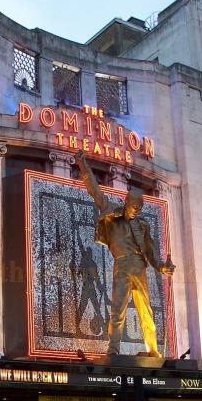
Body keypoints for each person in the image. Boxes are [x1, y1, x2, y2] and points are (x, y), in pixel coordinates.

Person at [74, 150, 175, 356]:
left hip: (138, 266)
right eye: (134, 206)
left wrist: (162, 267)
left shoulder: (143, 225)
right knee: (117, 309)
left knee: (145, 310)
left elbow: (151, 251)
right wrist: (82, 163)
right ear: (127, 202)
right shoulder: (112, 214)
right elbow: (94, 189)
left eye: (140, 207)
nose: (136, 210)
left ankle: (153, 350)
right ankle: (113, 349)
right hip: (122, 266)